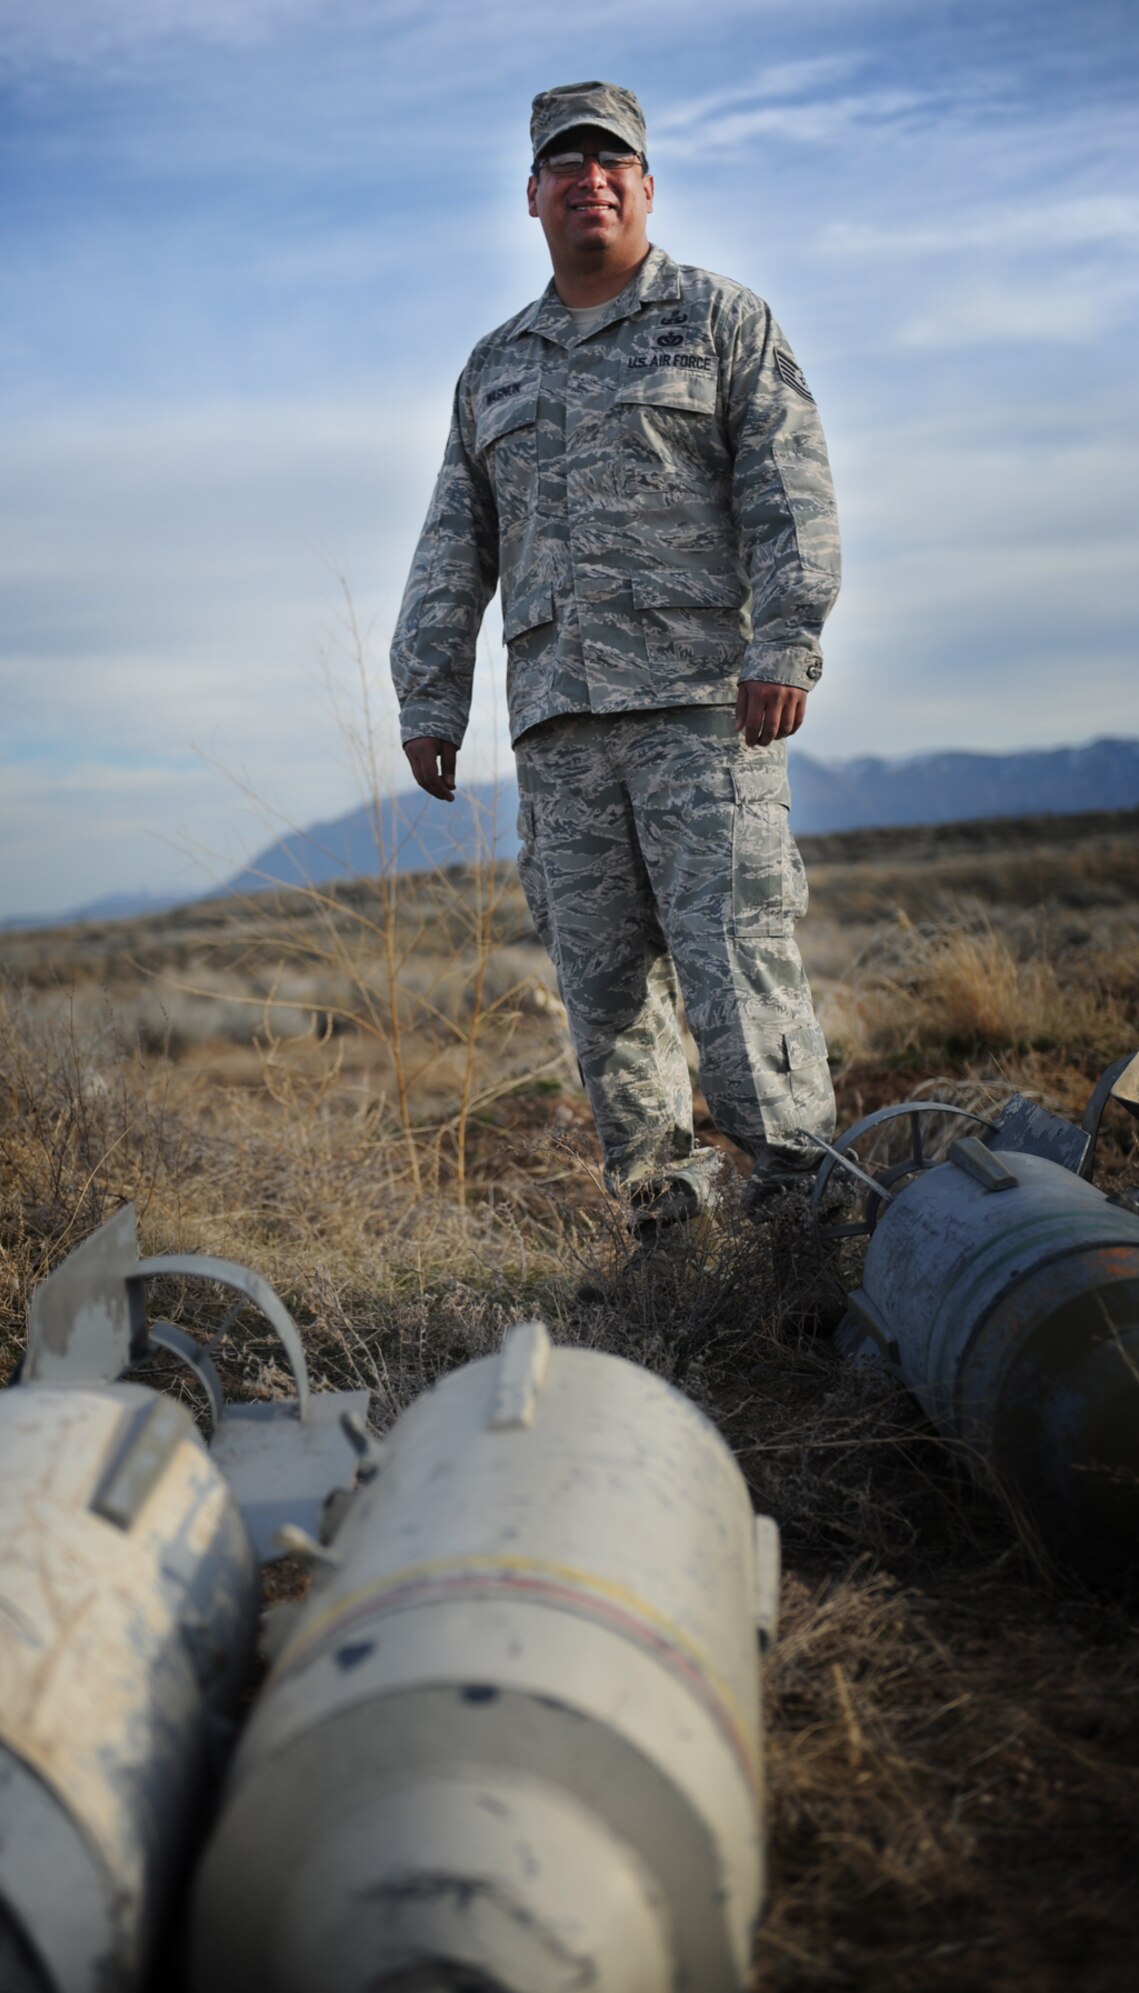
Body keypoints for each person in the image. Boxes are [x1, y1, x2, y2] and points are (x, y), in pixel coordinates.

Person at [390, 80, 840, 1239]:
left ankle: (804, 1237)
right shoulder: (493, 367)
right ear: (531, 196)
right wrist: (428, 688)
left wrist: (786, 634)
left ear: (644, 185)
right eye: (563, 165)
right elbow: (455, 537)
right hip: (559, 725)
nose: (587, 179)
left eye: (610, 163)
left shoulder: (718, 320)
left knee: (734, 967)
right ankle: (667, 1239)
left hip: (704, 711)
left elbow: (786, 490)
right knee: (604, 993)